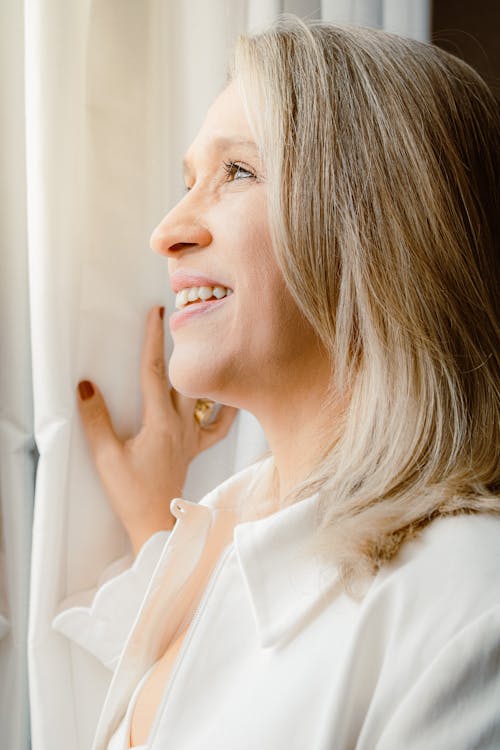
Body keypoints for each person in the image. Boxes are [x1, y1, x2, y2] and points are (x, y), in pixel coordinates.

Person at [57, 15, 499, 750]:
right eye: (189, 179)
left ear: (379, 227)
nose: (166, 231)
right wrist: (153, 534)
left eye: (237, 172)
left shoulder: (469, 600)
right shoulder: (223, 538)